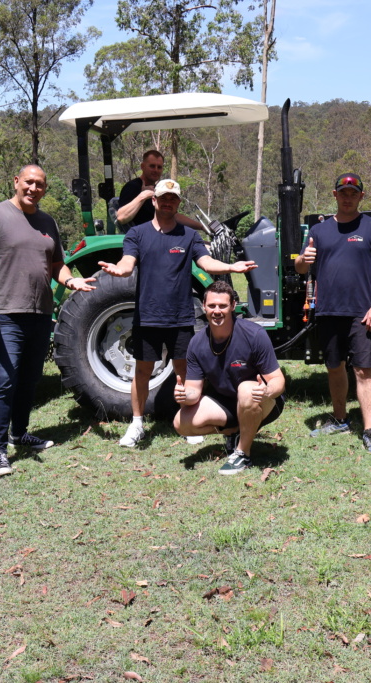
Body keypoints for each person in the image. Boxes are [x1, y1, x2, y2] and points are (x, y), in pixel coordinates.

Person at [98, 179, 257, 448]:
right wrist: (119, 270)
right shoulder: (137, 234)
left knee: (184, 371)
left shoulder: (189, 236)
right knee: (142, 371)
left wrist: (232, 267)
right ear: (154, 201)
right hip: (147, 316)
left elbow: (205, 262)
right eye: (163, 198)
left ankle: (187, 421)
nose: (168, 202)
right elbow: (127, 263)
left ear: (178, 203)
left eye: (173, 198)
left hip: (180, 317)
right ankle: (136, 424)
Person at [0, 164, 96, 477]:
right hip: (6, 311)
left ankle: (19, 433)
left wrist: (71, 280)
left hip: (41, 312)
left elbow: (57, 263)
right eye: (29, 182)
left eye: (40, 184)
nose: (34, 189)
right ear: (16, 181)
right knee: (5, 380)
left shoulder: (47, 221)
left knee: (29, 378)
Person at [294, 172, 371, 454]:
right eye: (343, 192)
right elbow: (301, 267)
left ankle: (370, 430)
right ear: (335, 195)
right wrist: (303, 259)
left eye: (353, 193)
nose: (347, 198)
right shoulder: (319, 231)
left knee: (363, 370)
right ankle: (340, 419)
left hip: (362, 313)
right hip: (328, 311)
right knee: (335, 367)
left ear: (361, 196)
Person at [173, 281, 286, 475]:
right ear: (203, 306)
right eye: (212, 305)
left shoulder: (254, 334)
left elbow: (278, 380)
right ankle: (234, 431)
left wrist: (267, 391)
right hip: (227, 403)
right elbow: (194, 391)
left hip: (263, 400)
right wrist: (184, 395)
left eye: (222, 306)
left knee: (246, 390)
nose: (217, 311)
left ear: (233, 305)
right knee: (181, 424)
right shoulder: (197, 343)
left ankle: (242, 453)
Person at [116, 150, 204, 231]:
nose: (156, 170)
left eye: (159, 167)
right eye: (152, 166)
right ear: (143, 166)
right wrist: (143, 196)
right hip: (142, 238)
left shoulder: (158, 189)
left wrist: (202, 227)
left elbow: (175, 216)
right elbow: (121, 217)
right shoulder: (133, 187)